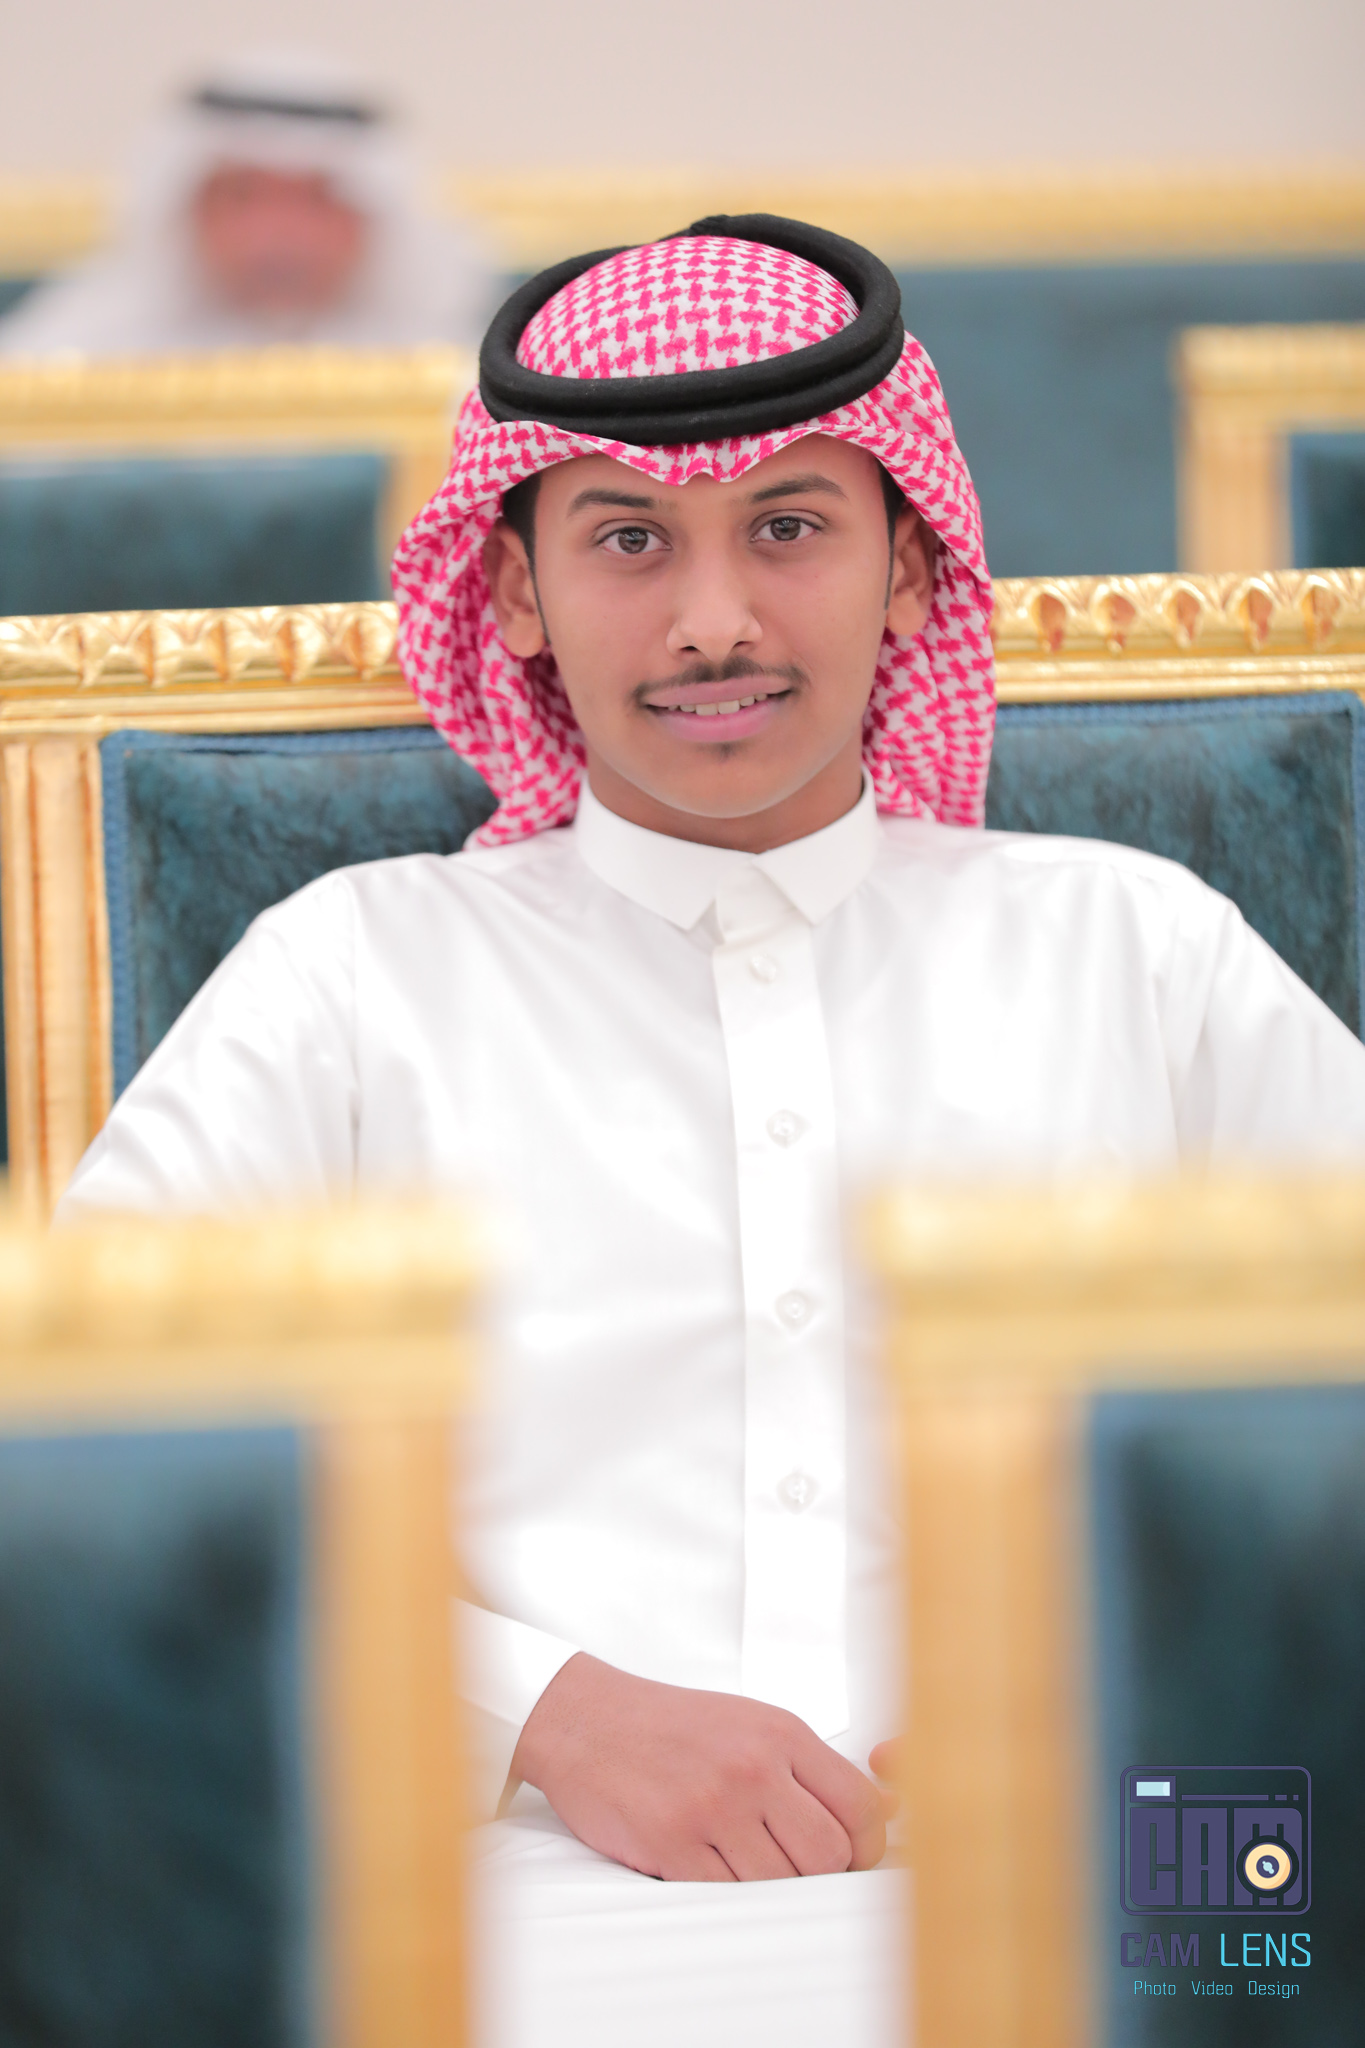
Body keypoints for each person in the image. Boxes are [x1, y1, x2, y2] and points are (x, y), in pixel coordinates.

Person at [57, 217, 1365, 2045]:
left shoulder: (1133, 948)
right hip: (510, 1898)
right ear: (513, 591)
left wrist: (1126, 1697)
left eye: (790, 528)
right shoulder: (353, 975)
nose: (715, 620)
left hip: (1132, 1858)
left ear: (911, 564)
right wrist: (545, 1712)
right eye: (627, 541)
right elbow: (88, 1483)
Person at [0, 52, 494, 357]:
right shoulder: (74, 352)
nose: (279, 231)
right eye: (241, 195)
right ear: (186, 207)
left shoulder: (453, 365)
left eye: (320, 198)